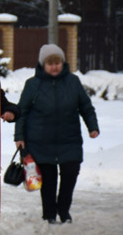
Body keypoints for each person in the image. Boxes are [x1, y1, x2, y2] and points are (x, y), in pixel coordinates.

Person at [15, 43, 100, 223]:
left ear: (63, 63)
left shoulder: (73, 82)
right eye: (50, 63)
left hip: (69, 139)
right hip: (40, 141)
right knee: (49, 180)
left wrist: (92, 127)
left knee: (70, 174)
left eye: (57, 62)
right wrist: (19, 137)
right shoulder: (33, 85)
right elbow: (21, 112)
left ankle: (63, 208)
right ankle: (49, 214)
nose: (54, 66)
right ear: (42, 65)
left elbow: (85, 106)